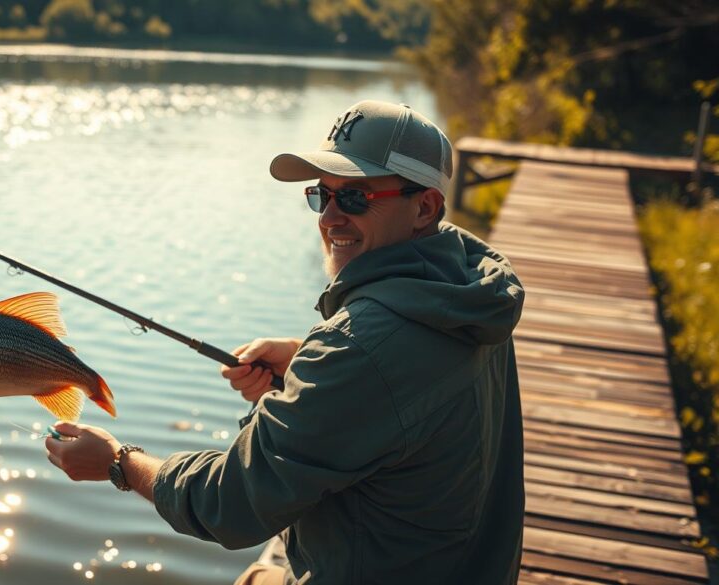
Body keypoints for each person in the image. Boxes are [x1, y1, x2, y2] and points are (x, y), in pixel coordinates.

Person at [45, 100, 526, 584]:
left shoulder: (355, 351)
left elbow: (229, 504)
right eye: (322, 195)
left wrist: (118, 464)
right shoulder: (466, 295)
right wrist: (305, 364)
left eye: (356, 197)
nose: (330, 218)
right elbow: (410, 383)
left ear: (424, 207)